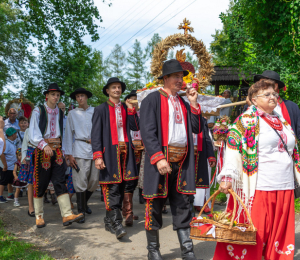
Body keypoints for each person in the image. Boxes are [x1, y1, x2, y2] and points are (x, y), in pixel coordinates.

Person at [214, 79, 300, 260]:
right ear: (253, 99)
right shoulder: (245, 121)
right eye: (267, 94)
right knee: (256, 233)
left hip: (284, 186)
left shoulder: (281, 120)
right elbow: (233, 148)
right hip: (259, 187)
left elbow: (293, 151)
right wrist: (228, 176)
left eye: (274, 94)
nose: (273, 97)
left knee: (280, 235)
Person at [140, 59, 204, 260]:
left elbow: (197, 128)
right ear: (165, 78)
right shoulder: (152, 100)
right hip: (160, 160)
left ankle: (187, 251)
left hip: (182, 161)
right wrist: (158, 158)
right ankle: (153, 250)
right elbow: (148, 132)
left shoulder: (184, 102)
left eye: (182, 77)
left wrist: (193, 103)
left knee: (183, 204)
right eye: (176, 76)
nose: (180, 80)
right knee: (155, 204)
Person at [29, 83, 83, 228]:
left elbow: (63, 134)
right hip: (43, 150)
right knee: (41, 182)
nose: (55, 97)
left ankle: (66, 215)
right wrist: (43, 145)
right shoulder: (38, 110)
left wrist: (65, 152)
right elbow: (32, 132)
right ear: (47, 96)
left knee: (60, 181)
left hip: (57, 150)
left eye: (58, 95)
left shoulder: (60, 112)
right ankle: (39, 215)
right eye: (53, 94)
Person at [91, 77, 139, 239]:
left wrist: (132, 110)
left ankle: (108, 220)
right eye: (113, 87)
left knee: (123, 186)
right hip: (109, 153)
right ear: (107, 91)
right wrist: (98, 156)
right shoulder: (100, 109)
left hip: (126, 152)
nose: (117, 90)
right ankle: (117, 223)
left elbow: (135, 127)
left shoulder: (126, 108)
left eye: (119, 87)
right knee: (112, 188)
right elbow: (95, 135)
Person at [64, 87, 99, 224]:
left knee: (94, 180)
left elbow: (101, 128)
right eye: (78, 96)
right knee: (80, 180)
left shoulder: (95, 111)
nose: (80, 98)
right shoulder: (72, 113)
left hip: (95, 149)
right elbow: (68, 134)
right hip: (78, 148)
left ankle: (84, 204)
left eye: (82, 96)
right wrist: (69, 154)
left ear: (87, 97)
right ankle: (81, 211)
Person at [254, 70, 300, 140]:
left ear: (275, 86)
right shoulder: (252, 106)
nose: (259, 86)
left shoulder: (292, 107)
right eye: (259, 83)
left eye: (263, 84)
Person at [122, 90, 141, 226]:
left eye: (136, 100)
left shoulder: (144, 114)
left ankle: (128, 211)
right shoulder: (124, 113)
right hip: (127, 150)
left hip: (142, 151)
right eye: (131, 99)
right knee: (127, 180)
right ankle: (127, 213)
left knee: (134, 182)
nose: (134, 102)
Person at [193, 118, 216, 213]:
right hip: (184, 151)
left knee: (200, 177)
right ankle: (186, 204)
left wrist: (211, 156)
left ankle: (199, 203)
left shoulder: (201, 120)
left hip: (200, 152)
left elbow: (207, 139)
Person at [19, 128, 35, 216]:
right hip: (30, 154)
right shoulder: (28, 130)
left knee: (41, 181)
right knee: (31, 182)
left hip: (42, 154)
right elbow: (24, 145)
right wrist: (24, 157)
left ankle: (38, 205)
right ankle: (31, 207)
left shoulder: (44, 127)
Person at [0, 127, 18, 203]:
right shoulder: (6, 143)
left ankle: (10, 194)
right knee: (3, 181)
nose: (17, 135)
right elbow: (2, 154)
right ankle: (0, 196)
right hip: (6, 166)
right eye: (16, 134)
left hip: (11, 166)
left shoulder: (12, 142)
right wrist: (5, 165)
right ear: (12, 135)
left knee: (10, 181)